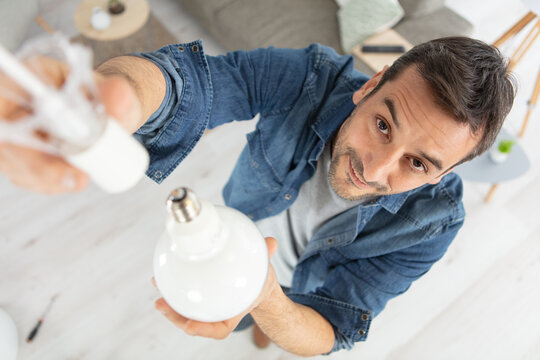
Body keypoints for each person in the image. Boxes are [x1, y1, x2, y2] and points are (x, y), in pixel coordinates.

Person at [0, 37, 515, 356]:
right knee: (253, 315)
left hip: (292, 288)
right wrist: (113, 100)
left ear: (445, 174)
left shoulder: (433, 224)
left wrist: (265, 299)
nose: (374, 168)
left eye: (418, 163)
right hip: (235, 226)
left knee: (276, 318)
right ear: (370, 85)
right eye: (383, 124)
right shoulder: (311, 80)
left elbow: (334, 326)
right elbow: (196, 84)